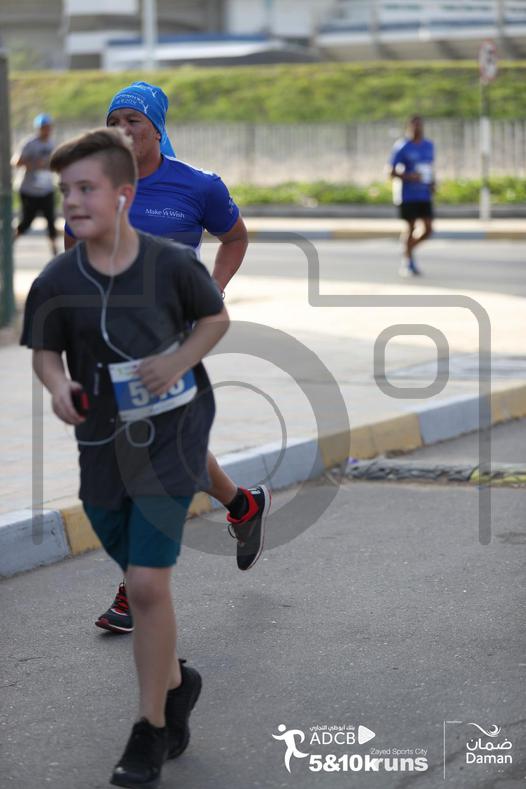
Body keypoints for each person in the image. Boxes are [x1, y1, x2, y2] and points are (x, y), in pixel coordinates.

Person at [22, 127, 229, 787]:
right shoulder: (58, 278)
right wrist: (59, 388)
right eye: (66, 190)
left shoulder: (171, 265)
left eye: (86, 188)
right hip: (102, 445)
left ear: (123, 195)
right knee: (136, 574)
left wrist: (178, 360)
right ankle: (177, 683)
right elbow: (45, 352)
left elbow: (215, 319)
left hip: (174, 436)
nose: (71, 201)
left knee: (145, 586)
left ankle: (149, 728)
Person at [64, 82, 271, 634]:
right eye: (114, 121)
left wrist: (212, 289)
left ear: (156, 128)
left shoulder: (197, 185)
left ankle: (134, 591)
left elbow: (234, 238)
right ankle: (243, 505)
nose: (123, 130)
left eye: (133, 120)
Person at [390, 115, 435, 277]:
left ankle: (407, 250)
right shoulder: (402, 146)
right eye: (414, 126)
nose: (417, 129)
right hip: (408, 194)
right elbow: (391, 171)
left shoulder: (429, 146)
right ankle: (408, 260)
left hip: (424, 194)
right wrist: (410, 176)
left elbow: (429, 167)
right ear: (409, 127)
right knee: (411, 227)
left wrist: (432, 183)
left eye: (419, 125)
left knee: (428, 229)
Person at [13, 113, 58, 256]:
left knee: (51, 221)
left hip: (46, 188)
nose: (46, 130)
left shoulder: (53, 144)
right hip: (29, 189)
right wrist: (33, 164)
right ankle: (9, 244)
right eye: (43, 128)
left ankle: (55, 253)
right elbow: (16, 162)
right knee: (27, 221)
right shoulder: (30, 143)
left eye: (48, 127)